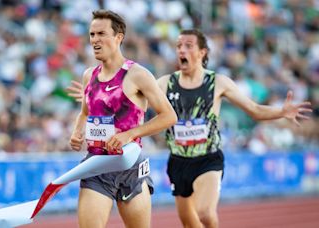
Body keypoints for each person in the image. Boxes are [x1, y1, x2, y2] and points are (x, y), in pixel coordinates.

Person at [67, 28, 312, 228]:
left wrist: (281, 111)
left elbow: (254, 110)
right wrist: (96, 94)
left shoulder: (218, 83)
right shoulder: (165, 82)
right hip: (179, 160)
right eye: (178, 47)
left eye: (188, 46)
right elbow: (133, 99)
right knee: (189, 222)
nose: (181, 50)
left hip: (208, 158)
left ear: (202, 52)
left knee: (205, 213)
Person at [69, 10, 177, 228]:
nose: (95, 40)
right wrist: (77, 131)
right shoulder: (89, 75)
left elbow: (169, 116)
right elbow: (85, 112)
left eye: (101, 34)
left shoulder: (137, 74)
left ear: (118, 37)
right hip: (97, 166)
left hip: (130, 167)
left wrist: (130, 134)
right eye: (92, 34)